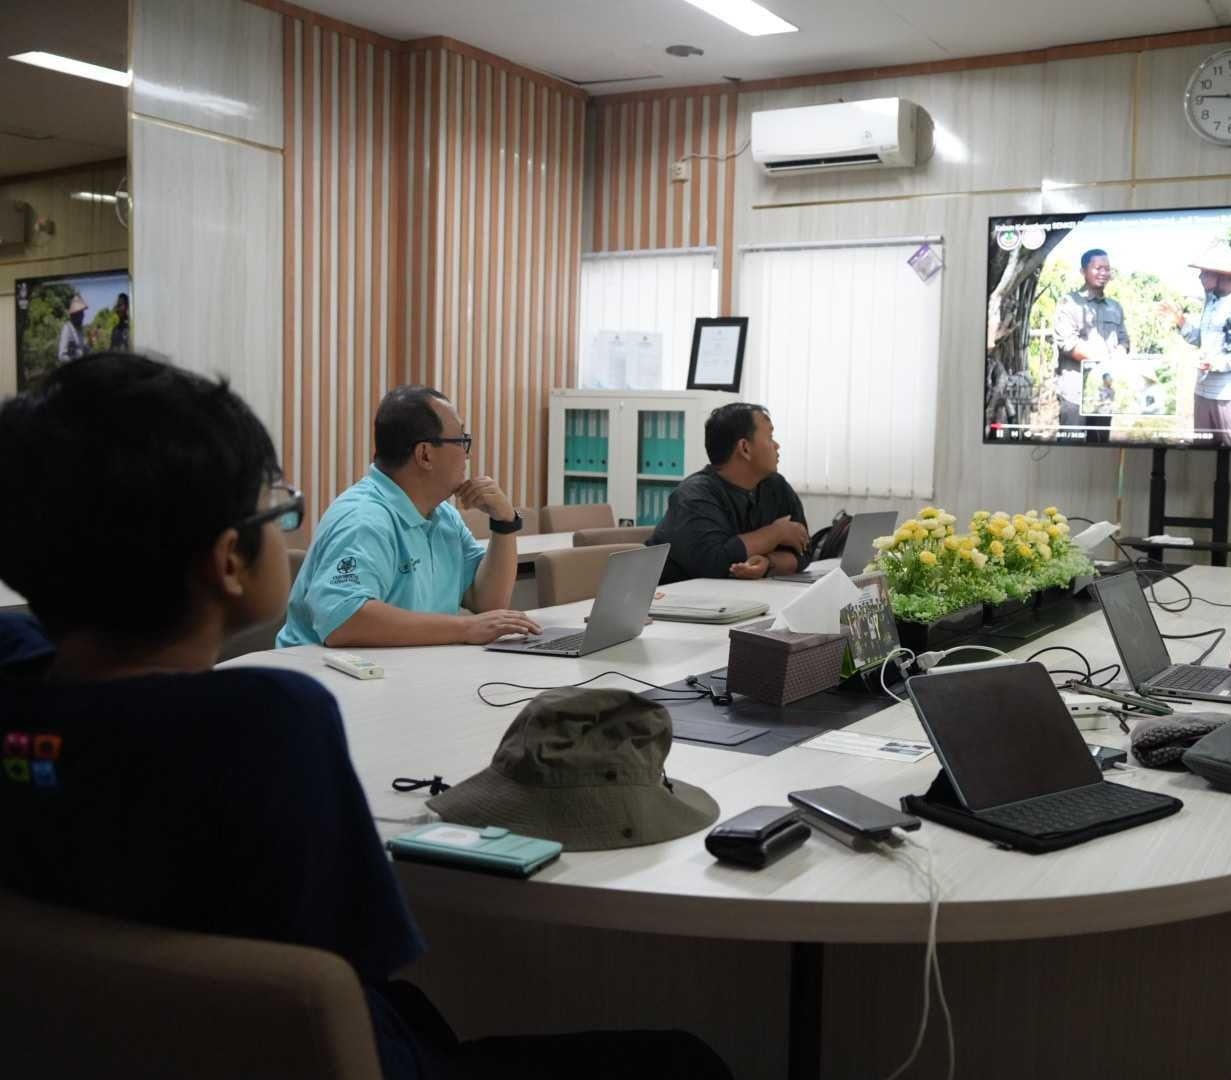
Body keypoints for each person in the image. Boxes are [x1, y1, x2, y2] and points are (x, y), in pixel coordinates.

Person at [0, 354, 731, 1080]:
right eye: (277, 507)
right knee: (685, 1061)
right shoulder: (273, 721)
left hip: (113, 1044)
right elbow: (380, 945)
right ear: (229, 563)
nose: (293, 527)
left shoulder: (22, 685)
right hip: (329, 1052)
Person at [277, 386, 539, 647]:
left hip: (403, 673)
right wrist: (465, 628)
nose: (467, 454)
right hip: (322, 679)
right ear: (425, 454)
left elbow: (487, 602)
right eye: (461, 441)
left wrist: (505, 523)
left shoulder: (443, 515)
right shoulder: (364, 518)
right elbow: (344, 620)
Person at [649, 402, 808, 583]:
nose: (777, 445)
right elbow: (713, 563)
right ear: (745, 448)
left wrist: (768, 564)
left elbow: (803, 550)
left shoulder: (775, 486)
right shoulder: (694, 495)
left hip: (738, 598)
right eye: (770, 437)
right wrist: (777, 533)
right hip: (674, 601)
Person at [1160, 242, 1231, 449]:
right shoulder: (1211, 300)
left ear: (1221, 273)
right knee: (1203, 454)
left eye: (1204, 272)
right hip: (1204, 390)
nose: (1200, 277)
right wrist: (1181, 322)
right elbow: (1203, 339)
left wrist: (1220, 363)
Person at [1051, 249, 1130, 444]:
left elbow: (1124, 339)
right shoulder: (1069, 303)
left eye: (1107, 269)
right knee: (1070, 452)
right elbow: (1067, 343)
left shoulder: (1115, 306)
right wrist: (1103, 360)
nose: (1104, 272)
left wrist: (1121, 352)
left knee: (1100, 449)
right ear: (1083, 271)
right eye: (1098, 268)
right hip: (1075, 393)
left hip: (1103, 394)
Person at [57, 294, 88, 362]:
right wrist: (75, 359)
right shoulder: (67, 329)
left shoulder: (80, 330)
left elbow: (83, 349)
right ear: (74, 315)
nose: (83, 316)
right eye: (81, 313)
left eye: (82, 313)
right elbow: (62, 356)